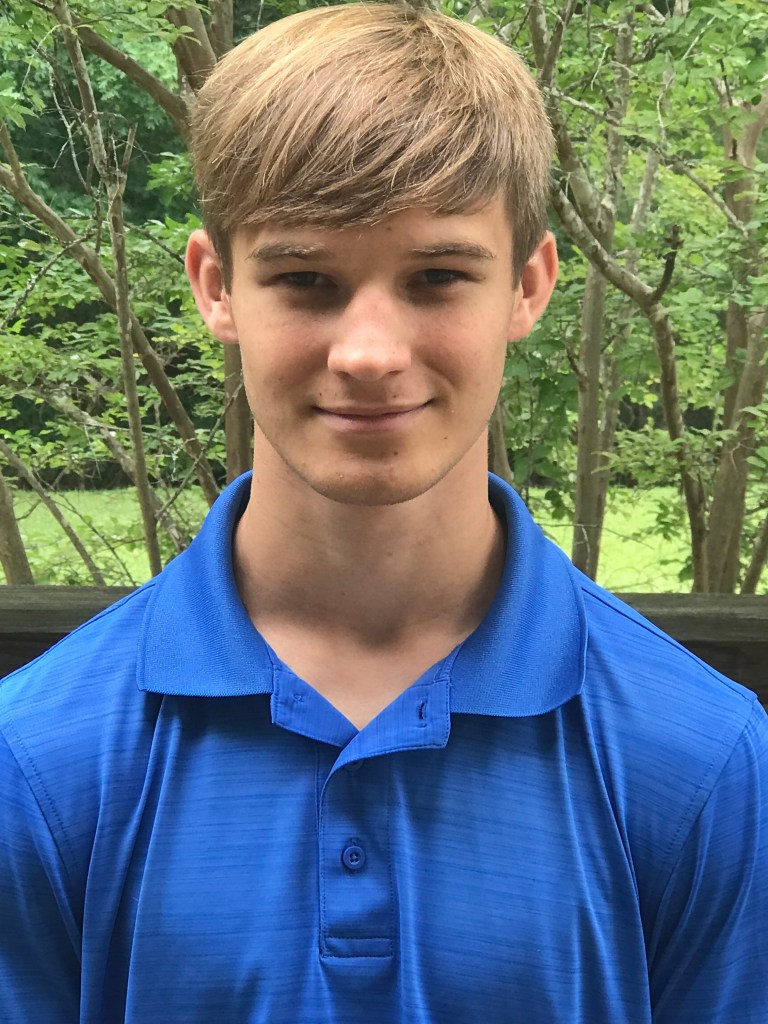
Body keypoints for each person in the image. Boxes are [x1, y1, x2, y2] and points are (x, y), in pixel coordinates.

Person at [1, 4, 766, 1021]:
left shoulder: (702, 758)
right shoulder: (37, 758)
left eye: (437, 276)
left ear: (528, 286)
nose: (368, 352)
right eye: (306, 279)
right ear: (216, 287)